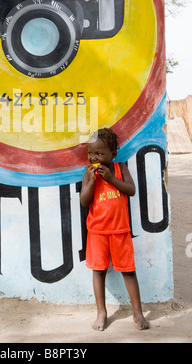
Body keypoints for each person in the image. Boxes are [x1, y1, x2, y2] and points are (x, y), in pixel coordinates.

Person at [80, 127, 149, 331]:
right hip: (97, 232)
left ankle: (138, 312)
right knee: (99, 271)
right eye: (91, 153)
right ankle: (102, 312)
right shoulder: (88, 174)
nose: (94, 158)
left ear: (113, 154)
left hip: (120, 231)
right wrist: (92, 182)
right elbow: (85, 202)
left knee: (128, 271)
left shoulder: (120, 169)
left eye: (100, 154)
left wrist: (110, 178)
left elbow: (131, 190)